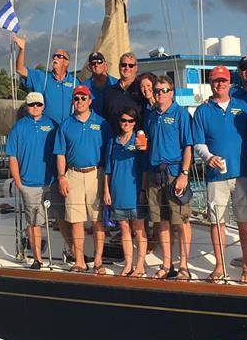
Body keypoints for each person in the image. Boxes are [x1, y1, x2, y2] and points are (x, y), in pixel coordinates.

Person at [192, 66, 247, 283]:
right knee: (216, 221)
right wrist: (208, 157)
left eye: (223, 80)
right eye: (215, 81)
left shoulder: (243, 107)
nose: (219, 84)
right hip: (215, 176)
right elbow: (198, 143)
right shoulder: (202, 111)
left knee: (245, 222)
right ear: (210, 83)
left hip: (242, 174)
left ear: (230, 82)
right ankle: (219, 266)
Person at [54, 85, 111, 274]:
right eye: (76, 98)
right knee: (76, 221)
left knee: (98, 220)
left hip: (96, 174)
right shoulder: (65, 125)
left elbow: (109, 152)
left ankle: (98, 260)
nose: (80, 101)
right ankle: (79, 261)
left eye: (83, 98)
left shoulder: (102, 124)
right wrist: (61, 177)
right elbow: (60, 153)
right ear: (73, 101)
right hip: (73, 175)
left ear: (90, 100)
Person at [144, 75, 193, 279]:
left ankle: (183, 265)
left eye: (164, 90)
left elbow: (188, 146)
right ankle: (167, 263)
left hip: (174, 174)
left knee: (181, 221)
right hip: (155, 174)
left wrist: (184, 173)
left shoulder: (180, 114)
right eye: (157, 91)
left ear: (171, 92)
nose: (160, 94)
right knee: (161, 221)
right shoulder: (151, 116)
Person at [6, 91, 57, 269]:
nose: (35, 108)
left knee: (63, 219)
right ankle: (37, 258)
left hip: (51, 182)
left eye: (38, 104)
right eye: (31, 105)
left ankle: (73, 255)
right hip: (29, 184)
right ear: (26, 106)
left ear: (43, 106)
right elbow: (12, 156)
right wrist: (19, 183)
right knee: (34, 223)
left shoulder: (52, 125)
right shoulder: (18, 127)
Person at [103, 107, 149, 277]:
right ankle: (128, 264)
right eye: (124, 120)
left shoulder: (139, 140)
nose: (126, 124)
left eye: (130, 121)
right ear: (119, 122)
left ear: (134, 123)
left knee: (139, 229)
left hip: (135, 190)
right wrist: (106, 191)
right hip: (117, 190)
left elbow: (145, 169)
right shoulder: (113, 142)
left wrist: (143, 189)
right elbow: (108, 169)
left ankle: (140, 265)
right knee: (124, 229)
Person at [13, 35, 76, 126]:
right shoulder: (42, 77)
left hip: (66, 130)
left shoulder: (74, 82)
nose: (55, 58)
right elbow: (20, 70)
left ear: (66, 62)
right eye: (54, 56)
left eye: (59, 56)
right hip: (45, 129)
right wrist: (22, 49)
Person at [102, 52, 143, 130]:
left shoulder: (141, 90)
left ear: (136, 68)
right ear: (119, 67)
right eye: (124, 65)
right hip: (113, 139)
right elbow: (105, 117)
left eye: (131, 65)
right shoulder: (109, 91)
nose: (127, 68)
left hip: (136, 139)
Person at [82, 51, 118, 116]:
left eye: (99, 61)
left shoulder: (117, 83)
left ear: (105, 64)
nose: (96, 65)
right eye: (93, 63)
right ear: (90, 66)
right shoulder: (84, 87)